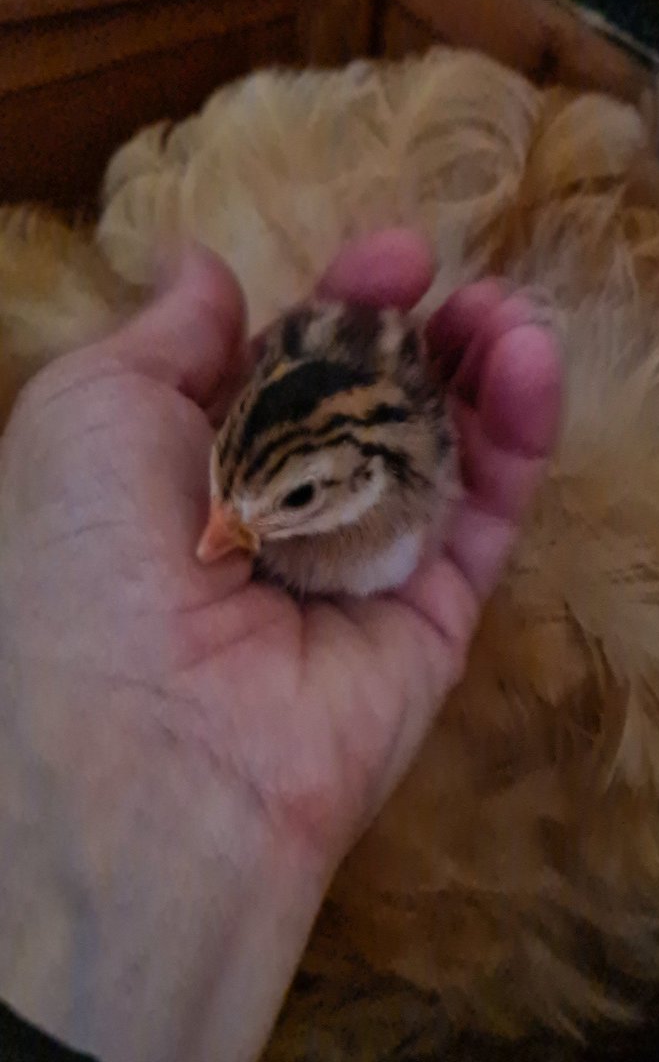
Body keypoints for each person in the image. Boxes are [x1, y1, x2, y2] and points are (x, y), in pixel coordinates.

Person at [0, 232, 559, 1062]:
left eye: (292, 498)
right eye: (224, 486)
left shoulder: (409, 487)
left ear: (362, 484)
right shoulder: (285, 486)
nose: (216, 534)